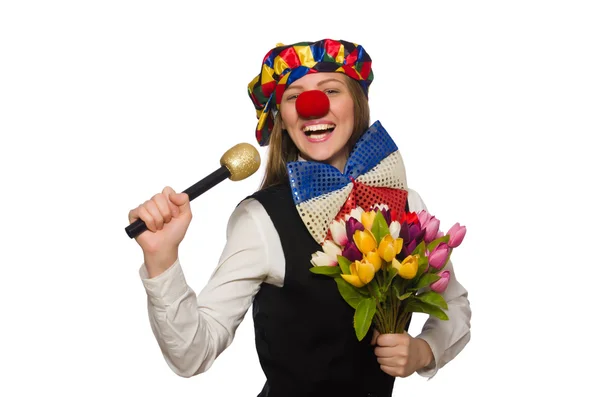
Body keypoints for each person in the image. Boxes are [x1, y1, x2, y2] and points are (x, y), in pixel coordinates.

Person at [128, 39, 471, 397]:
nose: (313, 106)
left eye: (331, 89)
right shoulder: (260, 219)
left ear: (358, 103)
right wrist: (162, 259)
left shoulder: (404, 201)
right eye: (293, 97)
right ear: (282, 119)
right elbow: (192, 355)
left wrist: (423, 351)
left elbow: (455, 304)